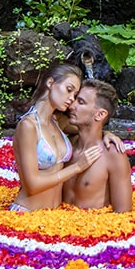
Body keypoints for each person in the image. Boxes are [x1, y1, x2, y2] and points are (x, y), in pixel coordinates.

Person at [10, 63, 103, 212]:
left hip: (54, 217)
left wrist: (108, 135)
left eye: (75, 95)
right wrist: (77, 167)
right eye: (69, 90)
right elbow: (32, 186)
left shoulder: (57, 122)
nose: (71, 99)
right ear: (50, 83)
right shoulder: (28, 126)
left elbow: (88, 130)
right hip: (27, 214)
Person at [63, 79, 132, 212]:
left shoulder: (113, 154)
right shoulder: (66, 145)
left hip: (94, 223)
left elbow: (123, 212)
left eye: (81, 102)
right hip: (55, 221)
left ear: (100, 114)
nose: (71, 106)